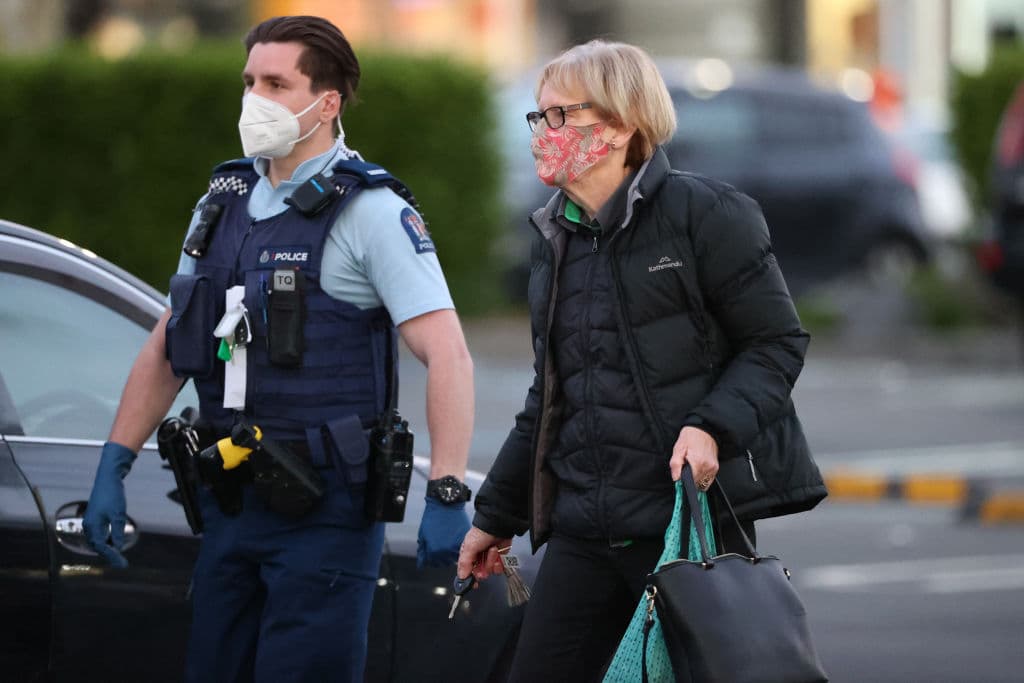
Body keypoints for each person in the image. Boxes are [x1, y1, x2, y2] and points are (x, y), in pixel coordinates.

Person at [82, 15, 475, 682]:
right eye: (248, 82)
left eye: (275, 83)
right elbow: (171, 344)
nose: (253, 99)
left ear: (327, 103)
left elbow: (449, 354)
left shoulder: (370, 211)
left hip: (325, 514)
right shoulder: (221, 203)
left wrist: (447, 488)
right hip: (230, 501)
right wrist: (112, 464)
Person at [457, 40, 827, 682]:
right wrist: (494, 517)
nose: (542, 132)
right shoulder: (554, 239)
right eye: (538, 115)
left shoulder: (706, 215)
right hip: (582, 529)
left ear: (621, 125)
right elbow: (550, 396)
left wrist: (712, 426)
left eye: (559, 115)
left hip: (684, 528)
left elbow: (775, 343)